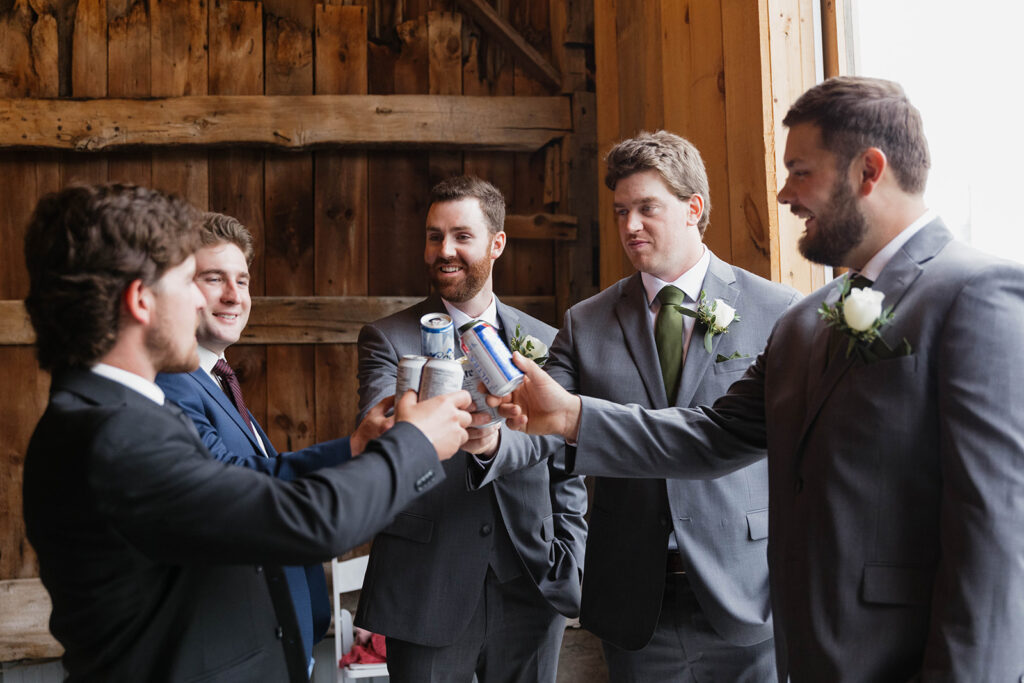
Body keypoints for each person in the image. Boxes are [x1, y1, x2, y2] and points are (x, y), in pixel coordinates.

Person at [491, 77, 1024, 682]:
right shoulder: (807, 320)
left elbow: (999, 535)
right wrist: (569, 416)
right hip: (812, 650)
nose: (784, 192)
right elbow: (712, 435)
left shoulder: (977, 293)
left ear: (868, 171)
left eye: (800, 171)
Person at [22, 184, 473, 682]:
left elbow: (250, 488)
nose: (201, 300)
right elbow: (302, 521)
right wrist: (416, 444)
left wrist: (359, 447)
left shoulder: (116, 413)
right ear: (141, 301)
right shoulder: (115, 437)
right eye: (188, 281)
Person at [483, 131, 797, 681]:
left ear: (693, 208)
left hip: (749, 590)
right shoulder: (586, 321)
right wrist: (490, 439)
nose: (630, 226)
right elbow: (540, 424)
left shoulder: (777, 309)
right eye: (620, 211)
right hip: (633, 596)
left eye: (647, 208)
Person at [354, 175, 587, 683]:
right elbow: (381, 435)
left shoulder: (547, 341)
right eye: (434, 236)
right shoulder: (387, 338)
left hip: (531, 584)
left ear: (497, 243)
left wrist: (568, 555)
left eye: (462, 236)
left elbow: (566, 461)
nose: (445, 250)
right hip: (426, 586)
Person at [154, 212, 358, 675]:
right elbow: (235, 481)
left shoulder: (219, 380)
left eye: (242, 281)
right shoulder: (173, 383)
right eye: (214, 278)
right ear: (181, 289)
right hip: (242, 653)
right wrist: (359, 448)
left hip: (286, 642)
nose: (234, 295)